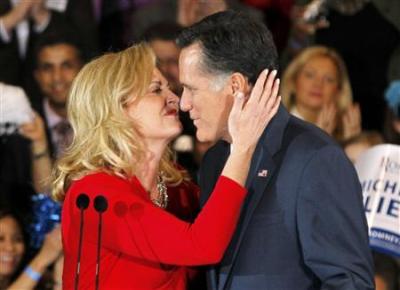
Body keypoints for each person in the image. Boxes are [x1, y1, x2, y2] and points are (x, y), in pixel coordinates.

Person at [51, 43, 280, 289]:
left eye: (169, 88)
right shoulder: (96, 194)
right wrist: (243, 146)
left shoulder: (175, 186)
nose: (175, 99)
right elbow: (202, 246)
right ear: (116, 108)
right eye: (156, 89)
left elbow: (229, 223)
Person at [177, 10, 374, 289]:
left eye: (191, 89)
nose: (184, 104)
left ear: (236, 86)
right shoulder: (214, 160)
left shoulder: (315, 159)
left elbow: (350, 283)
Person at [281, 45, 361, 141]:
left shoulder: (345, 136)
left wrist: (350, 144)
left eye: (328, 79)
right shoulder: (274, 127)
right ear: (292, 82)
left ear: (338, 92)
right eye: (310, 75)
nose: (318, 84)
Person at [0, 208, 63, 290]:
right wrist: (42, 259)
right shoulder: (37, 269)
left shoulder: (39, 280)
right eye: (0, 239)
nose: (10, 247)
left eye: (18, 239)